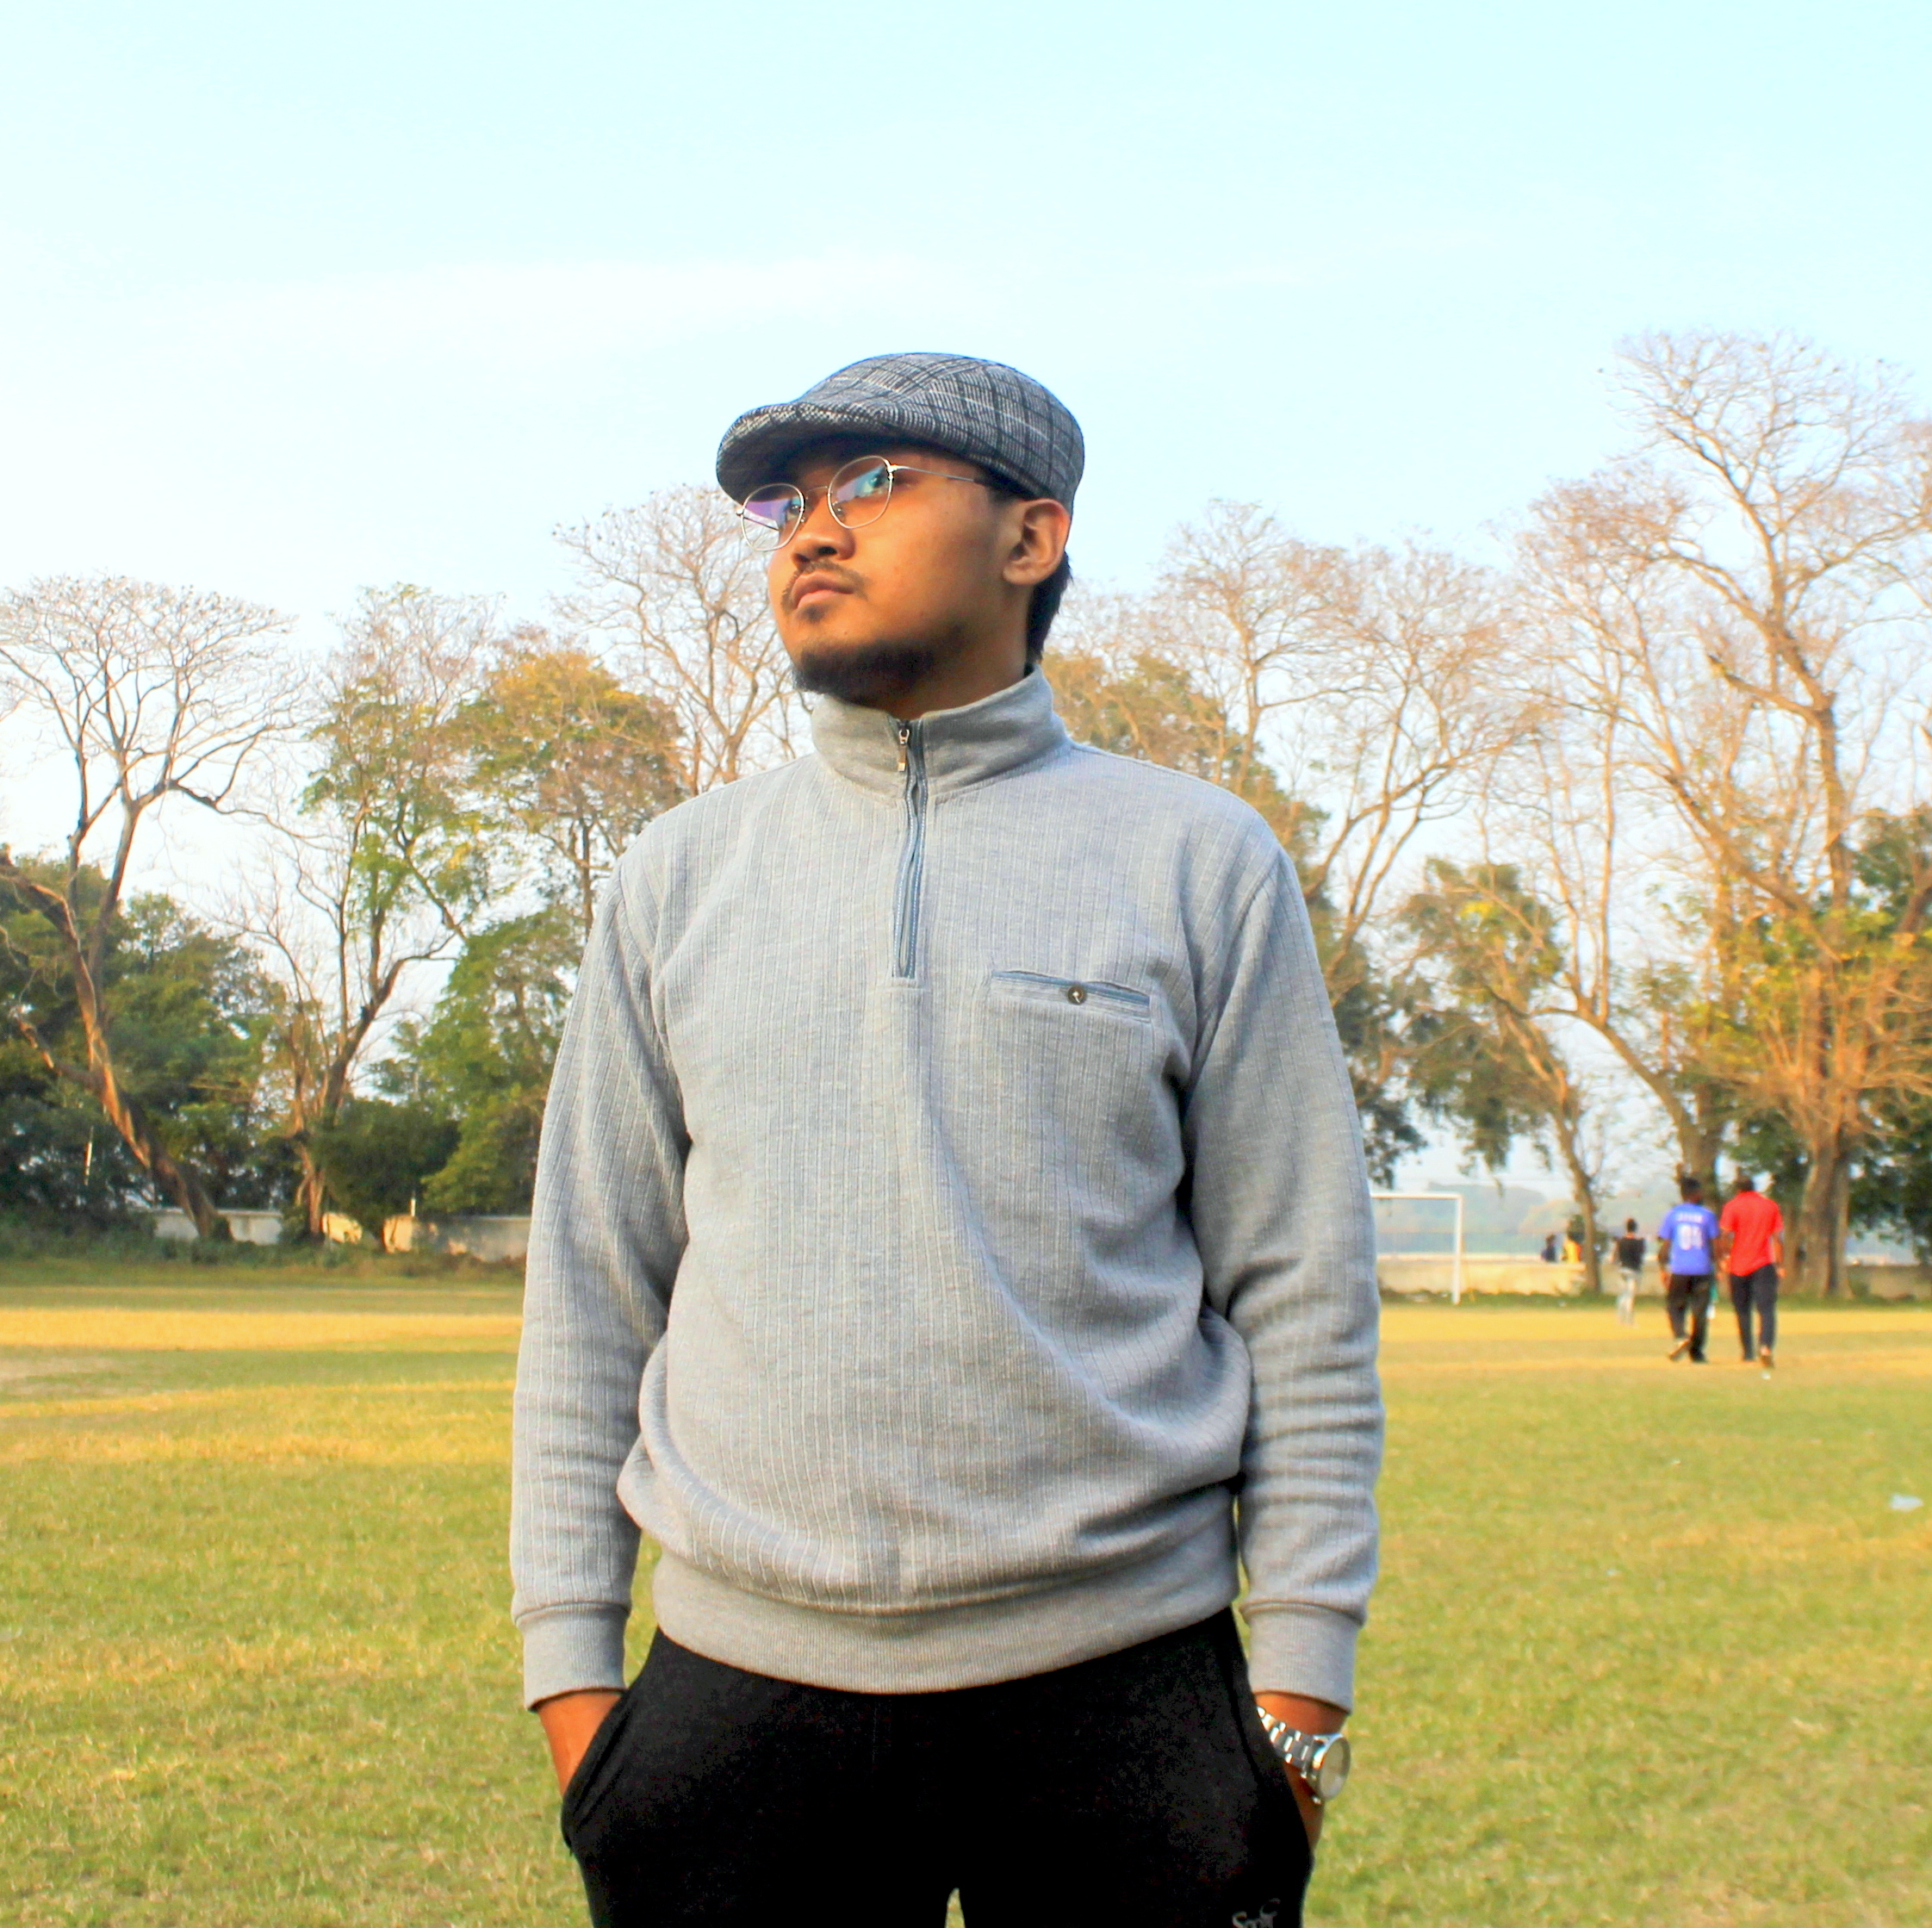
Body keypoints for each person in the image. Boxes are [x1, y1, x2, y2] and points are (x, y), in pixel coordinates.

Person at [510, 353, 1383, 1928]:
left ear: (1030, 538)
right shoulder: (675, 876)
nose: (807, 533)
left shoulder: (1197, 862)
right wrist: (577, 1686)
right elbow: (591, 1289)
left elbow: (1301, 1288)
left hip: (1124, 1702)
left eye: (874, 483)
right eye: (786, 502)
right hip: (732, 1702)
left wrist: (1296, 1707)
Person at [1719, 1172, 1784, 1371]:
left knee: (1742, 1310)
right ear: (1754, 1187)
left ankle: (1748, 1353)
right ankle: (1765, 1347)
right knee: (1766, 1309)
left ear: (1738, 1189)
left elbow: (1725, 1235)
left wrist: (1724, 1258)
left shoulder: (1732, 1206)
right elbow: (1777, 1237)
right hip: (1764, 1263)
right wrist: (1780, 1265)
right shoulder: (1770, 1206)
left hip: (1739, 1265)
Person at [1656, 1178, 1721, 1363]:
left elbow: (1665, 1245)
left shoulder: (1673, 1215)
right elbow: (1715, 1244)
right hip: (1702, 1269)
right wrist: (1717, 1266)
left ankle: (1681, 1336)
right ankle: (1697, 1352)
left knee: (1674, 1306)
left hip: (1680, 1270)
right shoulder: (1707, 1215)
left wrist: (1663, 1268)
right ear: (1695, 1194)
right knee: (1700, 1312)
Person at [1612, 1219, 1646, 1327]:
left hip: (1622, 1269)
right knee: (1631, 1296)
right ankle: (1630, 1321)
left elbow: (1614, 1258)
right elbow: (1641, 1257)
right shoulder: (1639, 1242)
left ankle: (1620, 1319)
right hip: (1634, 1270)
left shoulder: (1620, 1242)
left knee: (1623, 1295)